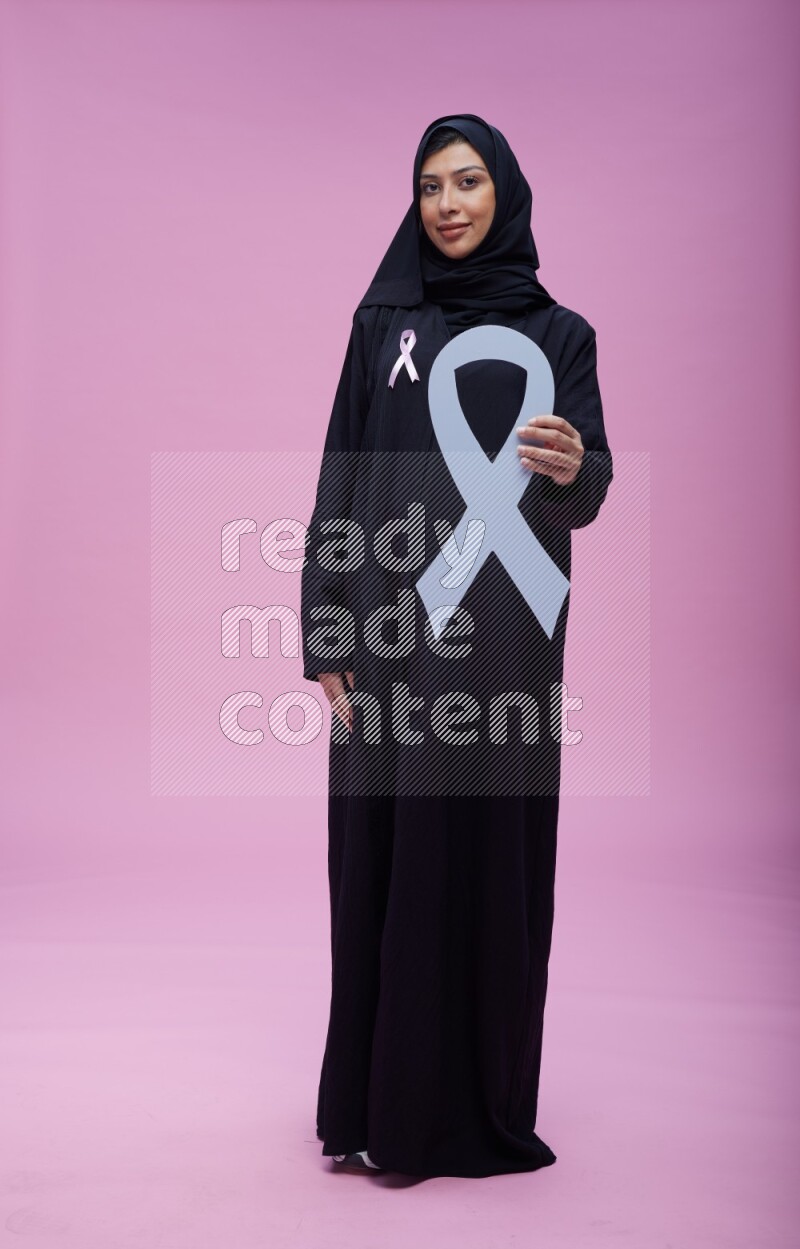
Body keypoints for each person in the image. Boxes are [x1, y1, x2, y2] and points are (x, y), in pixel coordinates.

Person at [301, 113, 613, 1179]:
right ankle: (376, 1108)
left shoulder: (560, 335)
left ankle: (468, 1108)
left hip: (500, 655)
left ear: (504, 193)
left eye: (467, 181)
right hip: (388, 639)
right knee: (382, 859)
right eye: (430, 184)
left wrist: (573, 464)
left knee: (480, 858)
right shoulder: (381, 322)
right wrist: (323, 626)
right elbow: (339, 475)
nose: (446, 204)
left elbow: (585, 494)